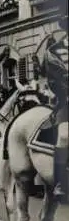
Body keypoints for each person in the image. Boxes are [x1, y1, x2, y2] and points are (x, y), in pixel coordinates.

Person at [40, 24, 68, 202]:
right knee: (64, 136)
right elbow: (54, 80)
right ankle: (60, 182)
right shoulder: (54, 52)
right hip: (66, 101)